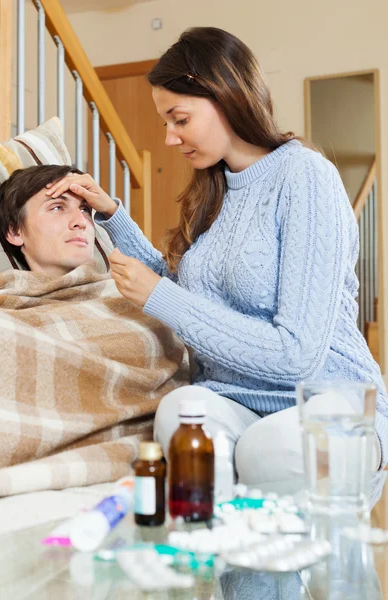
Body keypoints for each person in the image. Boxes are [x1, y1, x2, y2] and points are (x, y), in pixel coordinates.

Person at [45, 27, 388, 502]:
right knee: (180, 413)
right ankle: (215, 566)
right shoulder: (216, 191)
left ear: (224, 95)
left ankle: (282, 570)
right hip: (235, 399)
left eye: (178, 119)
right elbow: (186, 297)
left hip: (325, 401)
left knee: (268, 451)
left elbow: (298, 354)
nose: (169, 137)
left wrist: (160, 296)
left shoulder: (306, 177)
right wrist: (112, 216)